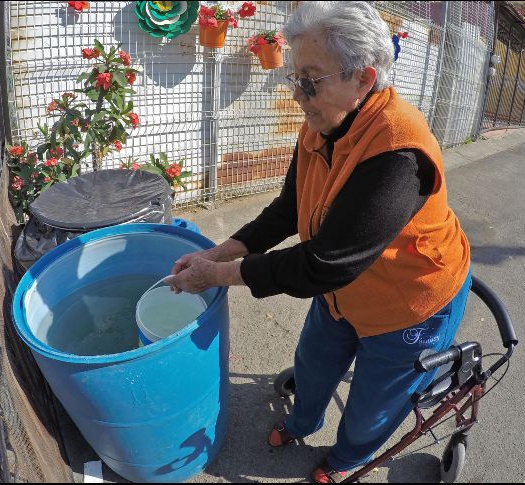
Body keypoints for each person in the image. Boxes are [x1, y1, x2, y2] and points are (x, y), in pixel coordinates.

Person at [165, 1, 471, 482]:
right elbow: (287, 210)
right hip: (342, 292)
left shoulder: (397, 151)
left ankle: (347, 457)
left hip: (409, 300)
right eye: (293, 77)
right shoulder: (322, 124)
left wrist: (219, 276)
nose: (298, 95)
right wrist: (216, 252)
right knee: (313, 361)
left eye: (310, 79)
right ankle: (302, 419)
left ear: (364, 79)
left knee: (374, 400)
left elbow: (324, 263)